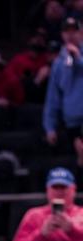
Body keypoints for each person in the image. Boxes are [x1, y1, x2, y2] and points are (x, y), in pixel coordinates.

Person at [43, 17, 83, 148]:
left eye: (74, 31)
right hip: (72, 123)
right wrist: (50, 127)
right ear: (62, 35)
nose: (70, 35)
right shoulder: (58, 64)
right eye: (67, 31)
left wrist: (78, 59)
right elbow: (52, 97)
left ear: (81, 33)